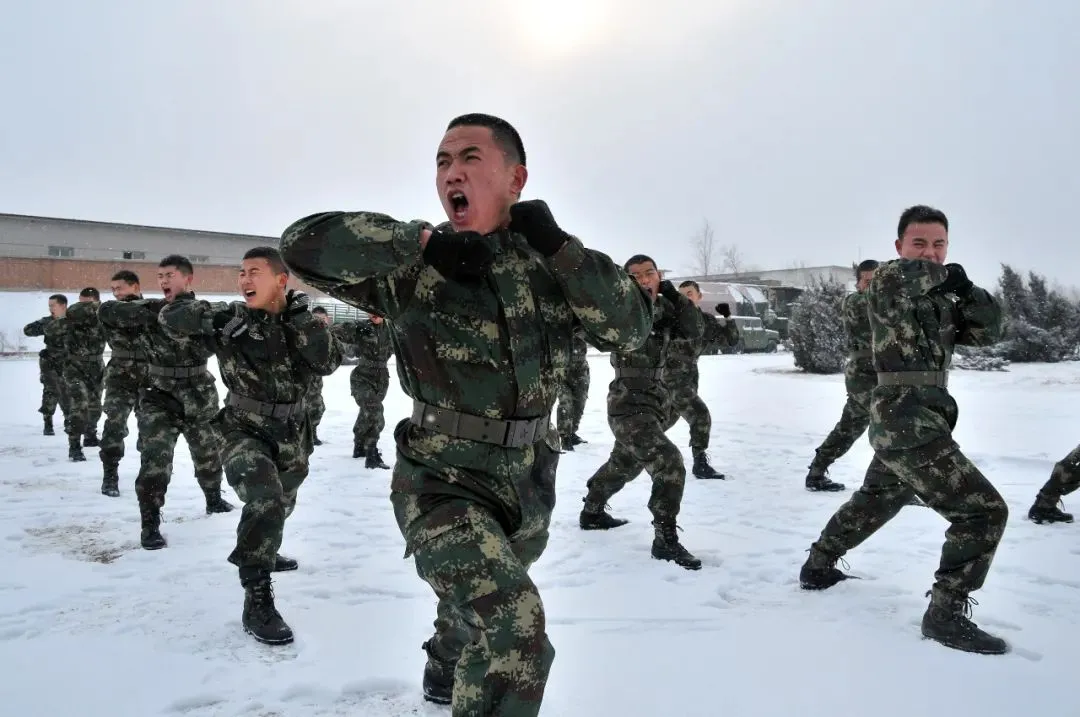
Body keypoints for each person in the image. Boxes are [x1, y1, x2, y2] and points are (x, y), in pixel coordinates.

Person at [279, 113, 651, 715]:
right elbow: (299, 245)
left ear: (515, 177)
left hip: (530, 479)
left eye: (470, 158)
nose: (452, 172)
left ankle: (446, 659)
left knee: (473, 607)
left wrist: (560, 247)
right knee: (515, 630)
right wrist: (419, 242)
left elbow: (630, 327)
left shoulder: (552, 266)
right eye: (442, 161)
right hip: (440, 478)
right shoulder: (412, 267)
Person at [798, 205, 1010, 655]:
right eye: (920, 243)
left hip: (920, 415)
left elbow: (991, 331)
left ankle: (818, 564)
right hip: (904, 416)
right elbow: (908, 276)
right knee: (983, 512)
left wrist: (966, 288)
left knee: (880, 496)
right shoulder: (889, 284)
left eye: (939, 244)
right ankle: (945, 614)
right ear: (899, 247)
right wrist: (947, 276)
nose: (930, 253)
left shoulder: (943, 299)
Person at [160, 247, 341, 645]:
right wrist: (215, 318)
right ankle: (256, 598)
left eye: (254, 272)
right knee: (265, 499)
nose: (244, 280)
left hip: (293, 432)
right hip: (243, 427)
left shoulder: (304, 322)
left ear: (280, 280)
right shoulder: (234, 317)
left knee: (282, 503)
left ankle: (267, 546)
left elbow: (329, 360)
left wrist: (301, 321)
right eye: (241, 272)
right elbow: (170, 316)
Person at [98, 255, 234, 551]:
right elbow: (107, 311)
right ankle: (150, 524)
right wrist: (156, 310)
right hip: (158, 394)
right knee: (155, 461)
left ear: (188, 279)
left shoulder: (202, 312)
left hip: (198, 392)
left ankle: (213, 498)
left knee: (208, 454)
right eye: (159, 276)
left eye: (169, 275)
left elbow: (224, 322)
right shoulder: (145, 310)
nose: (163, 281)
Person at [579, 255, 705, 570]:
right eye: (635, 275)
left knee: (625, 464)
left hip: (657, 404)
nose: (645, 279)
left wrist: (676, 297)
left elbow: (696, 328)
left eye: (650, 273)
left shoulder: (666, 306)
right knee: (669, 463)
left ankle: (592, 510)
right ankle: (665, 540)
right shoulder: (619, 310)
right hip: (628, 406)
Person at [804, 260, 878, 492]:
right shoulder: (855, 302)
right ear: (857, 284)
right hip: (865, 375)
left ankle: (816, 472)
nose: (874, 286)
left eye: (878, 281)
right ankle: (890, 486)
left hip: (878, 373)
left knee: (850, 427)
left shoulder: (884, 303)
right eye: (868, 281)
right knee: (891, 427)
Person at [663, 279, 740, 479]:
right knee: (700, 416)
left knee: (665, 420)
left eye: (689, 294)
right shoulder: (669, 318)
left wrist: (728, 317)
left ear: (699, 296)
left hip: (689, 375)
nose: (684, 298)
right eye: (680, 295)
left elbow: (730, 341)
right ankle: (700, 463)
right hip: (669, 375)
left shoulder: (705, 321)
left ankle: (631, 450)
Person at [98, 271, 148, 496]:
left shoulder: (154, 309)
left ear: (135, 286)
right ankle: (110, 475)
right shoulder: (110, 309)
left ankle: (149, 475)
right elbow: (129, 314)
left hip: (150, 375)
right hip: (120, 377)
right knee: (115, 424)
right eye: (113, 289)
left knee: (151, 429)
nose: (116, 293)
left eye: (120, 288)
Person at [332, 313, 394, 468]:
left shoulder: (392, 329)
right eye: (369, 310)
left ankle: (359, 446)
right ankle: (371, 453)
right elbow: (332, 332)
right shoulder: (360, 326)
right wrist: (352, 348)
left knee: (367, 412)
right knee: (375, 409)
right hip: (362, 378)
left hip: (381, 379)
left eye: (378, 310)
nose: (374, 314)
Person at [62, 287, 106, 461]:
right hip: (75, 366)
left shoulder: (103, 316)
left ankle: (90, 436)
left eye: (86, 303)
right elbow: (73, 312)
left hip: (96, 366)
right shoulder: (72, 316)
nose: (82, 308)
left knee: (95, 406)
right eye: (80, 303)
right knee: (79, 405)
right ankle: (74, 445)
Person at [23, 294, 69, 436]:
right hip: (50, 363)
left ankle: (70, 422)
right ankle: (47, 423)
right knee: (50, 392)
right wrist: (47, 326)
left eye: (52, 305)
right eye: (49, 305)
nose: (50, 308)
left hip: (69, 363)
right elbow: (28, 330)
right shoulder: (48, 321)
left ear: (63, 305)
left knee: (69, 392)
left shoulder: (73, 321)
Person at [556, 331, 590, 450]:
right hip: (560, 369)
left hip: (580, 369)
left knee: (580, 403)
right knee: (566, 403)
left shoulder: (581, 318)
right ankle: (565, 437)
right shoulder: (558, 319)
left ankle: (572, 433)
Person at [307, 305, 331, 446]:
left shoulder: (327, 334)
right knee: (304, 409)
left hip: (317, 380)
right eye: (316, 318)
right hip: (305, 379)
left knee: (318, 408)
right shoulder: (306, 333)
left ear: (327, 319)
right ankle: (305, 435)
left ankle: (312, 432)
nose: (319, 321)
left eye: (322, 318)